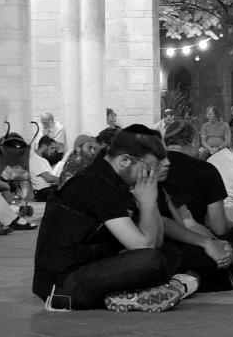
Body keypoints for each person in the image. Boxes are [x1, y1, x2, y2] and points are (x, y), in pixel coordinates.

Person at [32, 124, 197, 312]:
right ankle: (136, 294)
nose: (164, 165)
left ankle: (134, 294)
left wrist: (150, 200)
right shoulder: (96, 184)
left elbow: (156, 241)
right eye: (153, 164)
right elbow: (145, 247)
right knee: (152, 261)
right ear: (125, 160)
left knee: (169, 252)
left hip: (89, 268)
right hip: (62, 287)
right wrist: (148, 203)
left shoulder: (114, 181)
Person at [161, 120, 233, 289]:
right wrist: (215, 243)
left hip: (192, 239)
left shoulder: (160, 175)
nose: (166, 164)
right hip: (179, 244)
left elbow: (188, 221)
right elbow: (218, 227)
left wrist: (212, 243)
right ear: (195, 142)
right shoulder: (202, 170)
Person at [29, 136, 60, 202]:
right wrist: (62, 180)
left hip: (48, 189)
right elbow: (49, 179)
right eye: (52, 148)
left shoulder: (42, 159)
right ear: (44, 146)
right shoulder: (35, 159)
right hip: (42, 192)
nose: (53, 151)